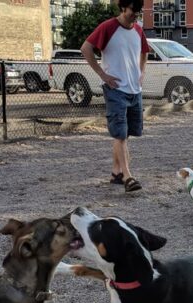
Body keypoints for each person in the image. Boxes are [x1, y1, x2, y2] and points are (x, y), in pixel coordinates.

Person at [81, 0, 148, 192]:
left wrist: (141, 73)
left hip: (134, 90)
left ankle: (116, 172)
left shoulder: (138, 30)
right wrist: (102, 74)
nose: (135, 16)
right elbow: (86, 48)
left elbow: (145, 52)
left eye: (138, 12)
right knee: (120, 134)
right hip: (115, 90)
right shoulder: (108, 27)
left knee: (125, 134)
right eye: (132, 12)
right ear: (122, 8)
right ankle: (128, 176)